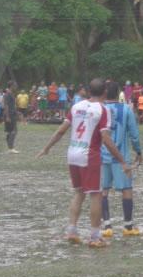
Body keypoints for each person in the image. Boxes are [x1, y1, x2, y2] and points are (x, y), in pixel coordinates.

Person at [36, 78, 131, 248]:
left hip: (73, 153)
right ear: (104, 93)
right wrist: (122, 161)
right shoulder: (103, 110)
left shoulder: (76, 106)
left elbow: (61, 131)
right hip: (90, 155)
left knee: (79, 192)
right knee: (95, 194)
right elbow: (107, 140)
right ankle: (95, 236)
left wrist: (46, 148)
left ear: (88, 91)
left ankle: (72, 230)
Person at [100, 82, 143, 238]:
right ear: (119, 93)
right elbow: (134, 134)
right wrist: (138, 151)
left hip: (102, 156)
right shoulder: (126, 110)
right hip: (121, 157)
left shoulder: (100, 109)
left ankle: (107, 226)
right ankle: (128, 226)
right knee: (126, 189)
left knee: (103, 190)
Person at [4, 81, 19, 154]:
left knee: (10, 131)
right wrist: (7, 116)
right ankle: (11, 148)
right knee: (14, 131)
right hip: (9, 115)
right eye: (15, 85)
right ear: (11, 86)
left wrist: (17, 112)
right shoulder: (8, 94)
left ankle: (10, 147)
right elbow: (6, 105)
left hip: (12, 114)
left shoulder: (11, 94)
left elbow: (12, 105)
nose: (16, 87)